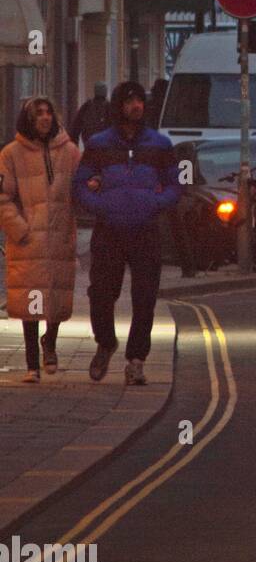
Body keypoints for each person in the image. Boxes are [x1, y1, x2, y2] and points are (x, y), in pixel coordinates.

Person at [72, 81, 181, 386]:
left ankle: (136, 360)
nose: (137, 106)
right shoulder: (99, 144)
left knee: (145, 297)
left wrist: (156, 203)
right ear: (119, 106)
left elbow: (175, 183)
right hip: (109, 229)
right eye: (131, 101)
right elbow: (79, 183)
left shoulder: (160, 145)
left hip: (146, 230)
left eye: (140, 101)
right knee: (101, 293)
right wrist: (100, 205)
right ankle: (105, 342)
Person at [0, 98, 80, 382]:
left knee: (57, 297)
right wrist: (20, 230)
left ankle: (51, 344)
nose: (45, 119)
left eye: (48, 113)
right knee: (30, 302)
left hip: (59, 237)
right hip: (28, 240)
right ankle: (32, 364)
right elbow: (3, 198)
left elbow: (81, 187)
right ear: (28, 120)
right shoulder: (11, 154)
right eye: (39, 115)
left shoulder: (69, 152)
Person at [69, 82, 109, 150]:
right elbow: (75, 129)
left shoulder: (87, 106)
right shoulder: (110, 107)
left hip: (93, 148)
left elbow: (75, 130)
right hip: (101, 149)